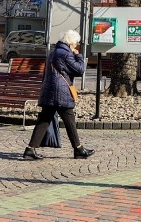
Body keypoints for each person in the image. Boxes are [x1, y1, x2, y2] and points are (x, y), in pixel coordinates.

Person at [23, 29, 94, 161]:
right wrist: (78, 56)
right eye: (76, 43)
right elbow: (80, 69)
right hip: (60, 93)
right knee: (69, 121)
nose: (76, 46)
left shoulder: (53, 52)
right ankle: (78, 150)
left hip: (50, 91)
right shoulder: (66, 53)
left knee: (44, 121)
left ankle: (30, 149)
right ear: (71, 42)